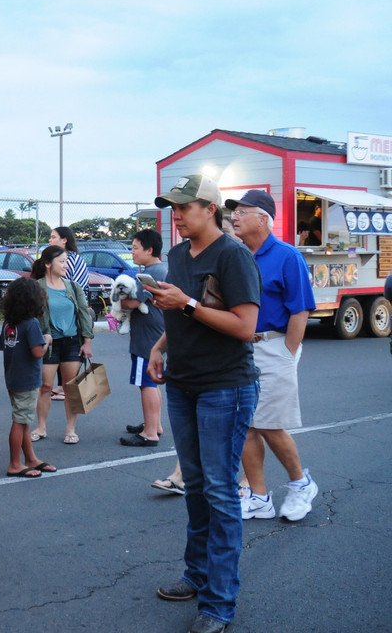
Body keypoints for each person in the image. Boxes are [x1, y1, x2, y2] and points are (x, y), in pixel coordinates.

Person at [144, 174, 261, 633]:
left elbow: (245, 326)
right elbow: (179, 314)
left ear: (209, 208)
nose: (176, 215)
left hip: (225, 387)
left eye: (184, 207)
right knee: (195, 486)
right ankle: (196, 575)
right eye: (172, 207)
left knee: (219, 490)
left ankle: (218, 603)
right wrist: (160, 346)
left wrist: (187, 304)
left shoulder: (233, 256)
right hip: (183, 383)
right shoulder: (177, 253)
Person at [226, 190, 319, 522]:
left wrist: (287, 352)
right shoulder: (237, 254)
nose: (234, 217)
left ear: (263, 218)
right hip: (242, 349)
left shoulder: (286, 255)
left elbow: (301, 309)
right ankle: (259, 496)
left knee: (270, 425)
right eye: (233, 213)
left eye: (242, 212)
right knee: (247, 425)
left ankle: (300, 484)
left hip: (273, 345)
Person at [31, 244, 93, 445]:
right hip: (48, 343)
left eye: (66, 261)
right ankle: (41, 427)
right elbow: (33, 317)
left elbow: (83, 313)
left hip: (71, 342)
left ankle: (71, 430)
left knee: (70, 388)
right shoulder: (37, 287)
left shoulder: (72, 287)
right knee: (45, 386)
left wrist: (87, 342)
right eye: (62, 261)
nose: (66, 265)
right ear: (48, 264)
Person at [0, 278, 54, 478]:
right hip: (27, 379)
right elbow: (38, 352)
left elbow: (1, 345)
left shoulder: (10, 322)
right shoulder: (31, 324)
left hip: (13, 377)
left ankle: (30, 458)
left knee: (24, 419)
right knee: (20, 421)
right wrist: (47, 341)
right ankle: (14, 463)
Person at [119, 229, 167, 447]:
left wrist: (118, 301)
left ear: (149, 250)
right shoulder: (162, 269)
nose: (133, 252)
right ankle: (154, 425)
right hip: (157, 333)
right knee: (152, 382)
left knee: (145, 382)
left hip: (146, 336)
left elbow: (133, 302)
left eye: (136, 248)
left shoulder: (149, 274)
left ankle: (149, 433)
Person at [47, 225, 88, 400]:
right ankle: (61, 386)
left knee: (69, 346)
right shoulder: (65, 258)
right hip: (65, 310)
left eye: (53, 237)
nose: (50, 240)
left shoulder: (72, 259)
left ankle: (66, 388)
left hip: (73, 310)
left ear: (64, 240)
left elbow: (74, 287)